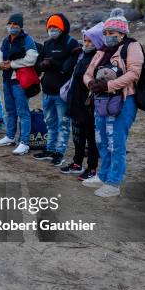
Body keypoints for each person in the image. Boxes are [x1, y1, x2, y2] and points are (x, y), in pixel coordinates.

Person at [82, 8, 143, 197]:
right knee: (102, 139)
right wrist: (91, 83)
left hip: (123, 100)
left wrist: (108, 85)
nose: (108, 36)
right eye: (106, 33)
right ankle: (103, 175)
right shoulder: (101, 51)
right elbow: (87, 73)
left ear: (122, 33)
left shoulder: (132, 47)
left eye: (112, 33)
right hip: (101, 102)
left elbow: (134, 73)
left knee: (116, 142)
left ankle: (114, 182)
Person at [33, 14, 81, 167]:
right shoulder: (47, 44)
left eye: (56, 27)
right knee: (50, 122)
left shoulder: (71, 43)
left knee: (63, 124)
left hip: (62, 93)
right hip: (47, 90)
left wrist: (54, 63)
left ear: (63, 28)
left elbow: (72, 67)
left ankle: (59, 152)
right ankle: (50, 149)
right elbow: (38, 64)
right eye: (50, 27)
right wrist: (43, 65)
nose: (52, 30)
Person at [61, 22, 103, 180]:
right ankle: (77, 163)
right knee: (78, 137)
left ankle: (92, 168)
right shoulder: (81, 55)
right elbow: (68, 71)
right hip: (75, 103)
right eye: (84, 40)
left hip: (89, 105)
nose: (86, 44)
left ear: (98, 42)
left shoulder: (98, 58)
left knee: (91, 139)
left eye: (90, 41)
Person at [0, 13, 38, 156]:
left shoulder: (27, 40)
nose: (13, 27)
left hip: (20, 81)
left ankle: (24, 143)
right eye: (11, 24)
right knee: (10, 110)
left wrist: (12, 64)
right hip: (7, 80)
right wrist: (0, 64)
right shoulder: (5, 41)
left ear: (21, 26)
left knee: (23, 111)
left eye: (16, 24)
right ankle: (10, 136)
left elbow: (32, 58)